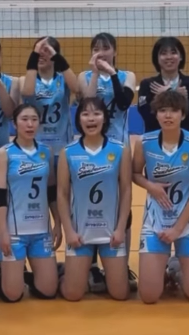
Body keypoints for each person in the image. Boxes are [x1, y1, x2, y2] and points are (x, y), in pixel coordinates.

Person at [133, 90, 189, 304]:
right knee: (149, 296)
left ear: (182, 115)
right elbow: (135, 173)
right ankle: (162, 272)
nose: (168, 115)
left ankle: (175, 269)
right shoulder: (144, 142)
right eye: (163, 110)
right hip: (155, 221)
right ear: (156, 114)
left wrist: (177, 229)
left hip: (188, 223)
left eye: (174, 111)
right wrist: (151, 186)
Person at [0, 104, 61, 302]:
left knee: (49, 291)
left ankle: (29, 274)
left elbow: (51, 191)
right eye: (24, 119)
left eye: (34, 120)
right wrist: (3, 231)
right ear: (14, 123)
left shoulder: (46, 151)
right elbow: (0, 194)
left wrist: (58, 223)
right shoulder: (5, 153)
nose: (30, 124)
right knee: (12, 295)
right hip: (15, 230)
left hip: (41, 229)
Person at [77, 33, 136, 292]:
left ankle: (122, 262)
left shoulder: (127, 76)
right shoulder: (84, 76)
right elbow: (86, 103)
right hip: (91, 149)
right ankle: (91, 266)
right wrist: (94, 72)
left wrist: (112, 73)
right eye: (96, 48)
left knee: (123, 202)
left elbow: (123, 103)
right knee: (88, 202)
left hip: (119, 148)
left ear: (114, 51)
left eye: (106, 47)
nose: (101, 52)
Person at [57, 97, 132, 302]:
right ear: (78, 119)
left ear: (105, 118)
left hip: (110, 233)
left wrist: (120, 229)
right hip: (80, 233)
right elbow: (62, 194)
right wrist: (69, 231)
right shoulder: (68, 152)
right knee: (73, 294)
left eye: (97, 113)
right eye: (85, 114)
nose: (91, 119)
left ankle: (101, 274)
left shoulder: (120, 150)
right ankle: (61, 273)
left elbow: (126, 190)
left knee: (120, 294)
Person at [20, 37, 78, 165]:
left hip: (62, 144)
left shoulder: (64, 79)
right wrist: (35, 54)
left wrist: (58, 57)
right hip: (37, 145)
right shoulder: (25, 80)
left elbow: (77, 88)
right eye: (38, 52)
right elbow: (28, 92)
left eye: (46, 51)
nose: (41, 55)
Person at [138, 36, 189, 136]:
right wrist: (172, 94)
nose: (169, 57)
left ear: (181, 57)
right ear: (156, 58)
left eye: (173, 52)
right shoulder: (147, 84)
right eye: (163, 53)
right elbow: (147, 116)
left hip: (188, 139)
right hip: (155, 139)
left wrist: (168, 93)